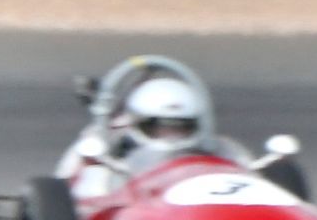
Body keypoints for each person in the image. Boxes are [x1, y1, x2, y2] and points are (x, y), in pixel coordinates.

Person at [57, 76, 214, 199]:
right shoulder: (106, 149)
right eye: (160, 127)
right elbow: (62, 199)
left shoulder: (220, 149)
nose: (171, 136)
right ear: (140, 123)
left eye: (181, 128)